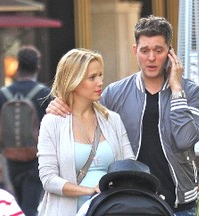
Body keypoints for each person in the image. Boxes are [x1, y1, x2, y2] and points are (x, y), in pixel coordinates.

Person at [47, 15, 199, 216]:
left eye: (158, 50)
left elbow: (185, 139)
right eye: (144, 50)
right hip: (129, 203)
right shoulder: (115, 93)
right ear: (135, 51)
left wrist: (176, 90)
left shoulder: (192, 93)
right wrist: (60, 103)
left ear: (170, 53)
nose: (151, 58)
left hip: (180, 203)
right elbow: (83, 109)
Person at [37, 48, 135, 216]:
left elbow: (130, 165)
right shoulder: (52, 123)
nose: (100, 82)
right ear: (73, 81)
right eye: (92, 77)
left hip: (111, 210)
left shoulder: (112, 120)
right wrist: (89, 191)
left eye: (100, 75)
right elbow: (48, 179)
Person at [0, 45, 51, 216]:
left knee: (20, 204)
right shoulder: (44, 93)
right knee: (30, 207)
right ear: (38, 67)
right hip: (36, 159)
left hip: (11, 159)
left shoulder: (2, 94)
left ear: (18, 66)